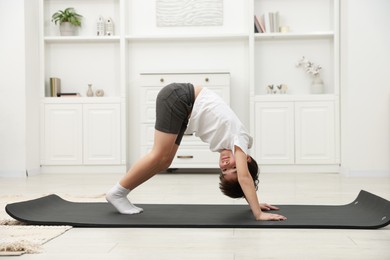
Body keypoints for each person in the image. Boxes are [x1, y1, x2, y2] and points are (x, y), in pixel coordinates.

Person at [106, 83, 287, 221]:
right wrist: (258, 213)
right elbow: (245, 178)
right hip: (180, 98)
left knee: (165, 161)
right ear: (245, 159)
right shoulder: (240, 140)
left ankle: (120, 193)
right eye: (234, 168)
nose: (225, 165)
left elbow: (243, 179)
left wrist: (253, 202)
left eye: (224, 171)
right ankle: (117, 193)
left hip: (184, 107)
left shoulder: (233, 143)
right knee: (159, 154)